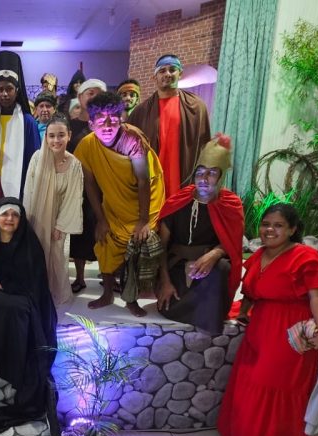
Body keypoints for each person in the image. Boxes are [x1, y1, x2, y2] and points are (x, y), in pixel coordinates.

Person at [217, 203, 318, 436]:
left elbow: (317, 297)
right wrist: (243, 312)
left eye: (278, 225)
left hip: (289, 334)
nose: (270, 230)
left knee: (276, 387)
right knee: (250, 382)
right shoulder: (259, 255)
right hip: (260, 328)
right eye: (266, 224)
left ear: (292, 229)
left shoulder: (306, 256)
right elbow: (250, 292)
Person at [77, 91, 166, 316]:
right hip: (115, 203)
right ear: (91, 124)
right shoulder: (87, 145)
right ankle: (107, 293)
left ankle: (131, 299)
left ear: (121, 119)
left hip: (144, 202)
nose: (107, 126)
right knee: (106, 242)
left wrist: (143, 221)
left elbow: (143, 180)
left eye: (113, 119)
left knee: (135, 246)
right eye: (101, 121)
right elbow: (90, 185)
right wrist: (101, 219)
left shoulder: (132, 140)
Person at [0, 198, 57, 432]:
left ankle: (16, 361)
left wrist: (2, 285)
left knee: (14, 309)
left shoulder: (30, 244)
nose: (9, 219)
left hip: (30, 302)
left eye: (15, 215)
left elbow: (35, 284)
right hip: (0, 300)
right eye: (5, 214)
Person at [156, 134, 244, 334]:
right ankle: (200, 313)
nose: (204, 179)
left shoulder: (230, 204)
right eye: (200, 172)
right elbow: (161, 246)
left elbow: (231, 243)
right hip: (177, 266)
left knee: (222, 269)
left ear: (221, 177)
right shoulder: (178, 201)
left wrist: (214, 254)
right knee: (171, 303)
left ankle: (208, 326)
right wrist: (165, 282)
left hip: (209, 268)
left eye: (212, 173)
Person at [128, 54, 211, 196]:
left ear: (180, 74)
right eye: (162, 71)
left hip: (184, 182)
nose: (167, 74)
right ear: (154, 77)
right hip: (152, 186)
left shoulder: (197, 107)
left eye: (172, 70)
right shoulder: (140, 112)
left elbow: (204, 147)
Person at [24, 116, 83, 306]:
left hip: (59, 220)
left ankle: (52, 296)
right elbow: (29, 190)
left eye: (61, 135)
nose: (56, 140)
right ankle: (34, 294)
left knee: (57, 258)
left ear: (69, 136)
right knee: (35, 255)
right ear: (46, 137)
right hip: (36, 217)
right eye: (51, 136)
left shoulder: (74, 164)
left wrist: (61, 225)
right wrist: (27, 221)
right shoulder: (37, 158)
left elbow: (73, 197)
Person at [0, 51, 40, 200]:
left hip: (19, 188)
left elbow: (35, 160)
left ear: (17, 91)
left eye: (9, 89)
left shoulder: (28, 122)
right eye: (0, 89)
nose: (4, 94)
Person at [67, 79, 106, 294]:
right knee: (79, 232)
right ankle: (80, 278)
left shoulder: (108, 125)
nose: (94, 97)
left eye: (98, 94)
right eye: (90, 93)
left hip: (104, 187)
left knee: (105, 230)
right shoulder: (70, 126)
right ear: (80, 97)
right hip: (77, 187)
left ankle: (108, 275)